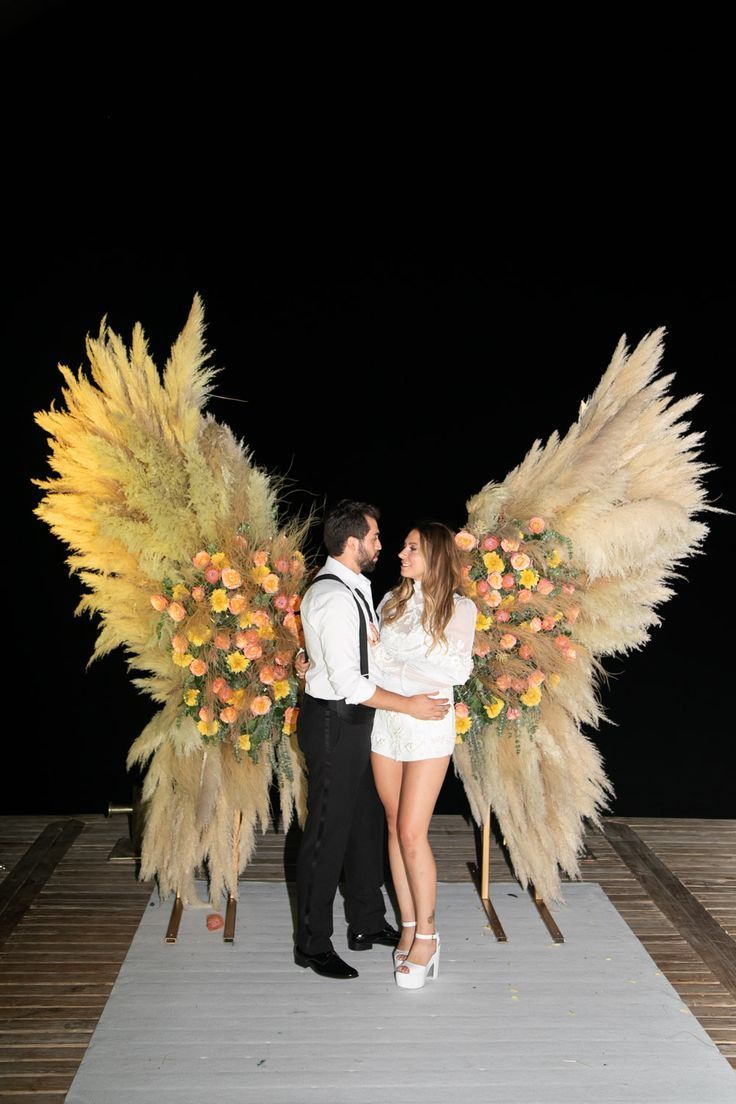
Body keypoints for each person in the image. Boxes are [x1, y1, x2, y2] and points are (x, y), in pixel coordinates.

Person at [294, 500, 451, 980]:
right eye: (376, 538)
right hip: (335, 721)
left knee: (364, 824)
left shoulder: (355, 589)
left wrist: (307, 661)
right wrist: (411, 705)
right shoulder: (335, 597)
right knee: (325, 833)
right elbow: (351, 683)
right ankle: (313, 943)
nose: (382, 545)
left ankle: (365, 922)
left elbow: (361, 659)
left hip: (360, 722)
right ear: (352, 542)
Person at [367, 521, 476, 989]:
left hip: (429, 724)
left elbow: (455, 670)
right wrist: (408, 679)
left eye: (412, 548)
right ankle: (408, 924)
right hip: (388, 722)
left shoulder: (459, 608)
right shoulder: (390, 603)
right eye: (403, 546)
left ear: (435, 555)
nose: (401, 553)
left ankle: (429, 936)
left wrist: (399, 673)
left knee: (413, 831)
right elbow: (372, 664)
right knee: (392, 825)